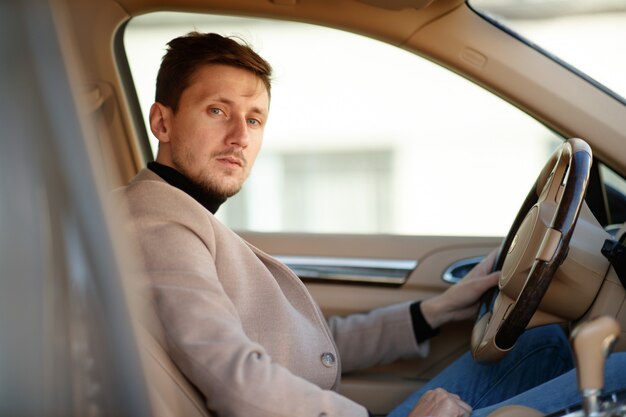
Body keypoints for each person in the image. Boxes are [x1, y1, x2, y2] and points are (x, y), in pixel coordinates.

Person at [116, 32, 620, 417]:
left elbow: (310, 347)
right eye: (217, 110)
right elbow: (233, 378)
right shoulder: (159, 223)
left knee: (544, 347)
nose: (239, 136)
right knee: (616, 372)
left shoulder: (181, 211)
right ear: (162, 122)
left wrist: (437, 310)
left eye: (253, 119)